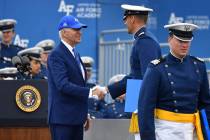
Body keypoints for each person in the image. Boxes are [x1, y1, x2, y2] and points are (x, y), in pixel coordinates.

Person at [138, 23, 210, 140]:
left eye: (187, 41)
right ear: (169, 39)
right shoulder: (157, 68)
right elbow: (145, 108)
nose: (184, 45)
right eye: (180, 41)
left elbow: (205, 105)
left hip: (191, 132)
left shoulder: (199, 66)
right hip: (165, 131)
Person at [103, 4, 161, 139]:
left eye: (126, 19)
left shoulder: (145, 41)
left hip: (143, 101)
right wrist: (107, 89)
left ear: (133, 19)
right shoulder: (142, 39)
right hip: (137, 98)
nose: (125, 23)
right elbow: (136, 75)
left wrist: (145, 107)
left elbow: (148, 76)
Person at [47, 15, 104, 140]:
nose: (80, 32)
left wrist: (84, 113)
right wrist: (91, 92)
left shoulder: (75, 54)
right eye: (76, 29)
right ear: (64, 32)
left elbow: (78, 85)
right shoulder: (56, 55)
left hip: (76, 119)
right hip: (63, 120)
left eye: (80, 29)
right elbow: (63, 85)